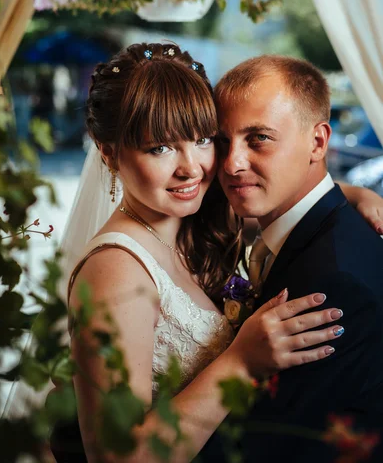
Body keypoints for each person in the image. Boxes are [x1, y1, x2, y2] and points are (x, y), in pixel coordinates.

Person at [51, 44, 383, 463]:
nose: (195, 167)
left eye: (204, 140)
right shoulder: (115, 271)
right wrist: (240, 362)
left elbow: (288, 195)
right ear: (109, 152)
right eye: (160, 148)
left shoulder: (192, 220)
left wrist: (351, 195)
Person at [200, 54, 383, 462]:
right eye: (223, 141)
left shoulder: (333, 284)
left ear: (318, 142)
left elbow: (264, 445)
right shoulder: (290, 227)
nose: (232, 163)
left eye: (259, 138)